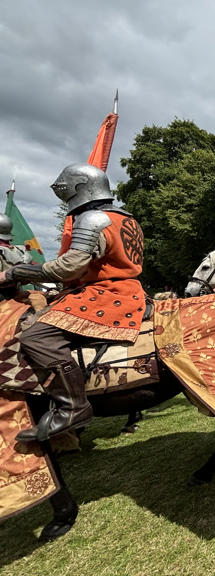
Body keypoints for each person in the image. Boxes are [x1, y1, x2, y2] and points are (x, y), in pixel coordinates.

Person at [0, 163, 145, 442]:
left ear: (80, 187)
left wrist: (17, 272)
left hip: (107, 293)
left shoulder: (93, 218)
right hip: (124, 289)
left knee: (36, 337)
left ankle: (72, 407)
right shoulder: (124, 217)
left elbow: (69, 268)